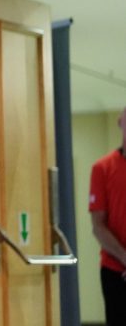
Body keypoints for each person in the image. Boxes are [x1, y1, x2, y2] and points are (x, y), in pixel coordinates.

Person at [89, 106, 126, 326]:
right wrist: (124, 258)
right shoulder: (102, 168)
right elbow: (98, 226)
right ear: (120, 123)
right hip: (115, 270)